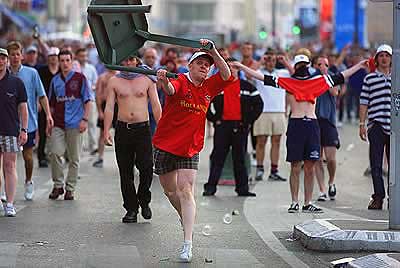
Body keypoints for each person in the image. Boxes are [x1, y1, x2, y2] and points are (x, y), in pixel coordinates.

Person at [233, 50, 368, 213]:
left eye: (304, 65)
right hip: (296, 125)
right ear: (295, 67)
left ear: (308, 66)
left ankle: (307, 202)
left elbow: (341, 75)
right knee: (295, 166)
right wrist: (241, 66)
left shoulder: (318, 81)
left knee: (310, 167)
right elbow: (261, 77)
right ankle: (294, 201)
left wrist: (359, 65)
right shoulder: (289, 82)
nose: (302, 68)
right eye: (300, 65)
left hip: (312, 125)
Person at [154, 39, 231, 262]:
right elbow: (170, 89)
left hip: (190, 147)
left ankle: (187, 243)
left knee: (186, 190)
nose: (204, 67)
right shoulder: (179, 79)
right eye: (200, 63)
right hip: (165, 144)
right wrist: (163, 82)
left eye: (207, 64)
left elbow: (226, 74)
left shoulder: (209, 86)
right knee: (171, 192)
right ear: (190, 66)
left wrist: (213, 50)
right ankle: (185, 217)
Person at [103, 55, 162, 223]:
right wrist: (106, 131)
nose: (128, 63)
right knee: (125, 171)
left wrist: (162, 129)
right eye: (126, 60)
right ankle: (131, 208)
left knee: (146, 168)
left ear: (137, 60)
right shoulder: (114, 81)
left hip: (142, 129)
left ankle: (144, 200)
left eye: (131, 59)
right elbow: (109, 107)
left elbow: (156, 105)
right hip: (123, 129)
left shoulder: (147, 79)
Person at [203, 57, 263, 196]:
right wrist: (214, 119)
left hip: (240, 127)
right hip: (222, 127)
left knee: (239, 159)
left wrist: (248, 121)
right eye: (228, 67)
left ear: (239, 69)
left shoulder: (247, 86)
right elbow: (204, 102)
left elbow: (259, 105)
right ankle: (210, 188)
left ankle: (242, 189)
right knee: (218, 158)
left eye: (234, 67)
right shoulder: (217, 86)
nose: (231, 69)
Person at [7, 41, 53, 201]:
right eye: (11, 55)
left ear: (22, 55)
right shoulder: (3, 73)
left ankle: (28, 181)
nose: (15, 58)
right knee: (8, 160)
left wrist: (48, 115)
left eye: (17, 54)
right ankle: (5, 189)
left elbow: (42, 95)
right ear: (8, 57)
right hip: (7, 124)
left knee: (27, 157)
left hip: (29, 123)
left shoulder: (32, 73)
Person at [48, 50, 94, 201]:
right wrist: (49, 122)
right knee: (55, 152)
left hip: (75, 123)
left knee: (74, 158)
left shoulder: (80, 79)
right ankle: (58, 185)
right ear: (59, 62)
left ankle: (70, 188)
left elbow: (88, 101)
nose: (65, 63)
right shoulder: (55, 80)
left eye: (67, 60)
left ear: (72, 61)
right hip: (58, 123)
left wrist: (85, 120)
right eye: (62, 60)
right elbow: (52, 104)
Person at [359, 44, 392, 210]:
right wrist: (361, 124)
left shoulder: (397, 78)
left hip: (394, 127)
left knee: (395, 165)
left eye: (387, 55)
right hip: (376, 125)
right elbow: (364, 102)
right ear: (377, 59)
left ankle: (394, 197)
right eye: (381, 55)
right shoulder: (369, 79)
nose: (384, 58)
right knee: (376, 164)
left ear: (392, 59)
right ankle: (378, 197)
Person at [253, 49, 291, 181]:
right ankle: (259, 168)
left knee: (277, 142)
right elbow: (247, 73)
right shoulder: (259, 73)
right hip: (263, 112)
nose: (270, 62)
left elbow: (295, 74)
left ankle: (274, 170)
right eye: (268, 60)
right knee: (261, 142)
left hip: (278, 111)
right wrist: (260, 61)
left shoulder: (282, 73)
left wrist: (285, 61)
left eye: (273, 60)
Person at [0, 48, 28, 216]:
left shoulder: (16, 83)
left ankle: (10, 203)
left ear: (7, 61)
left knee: (10, 166)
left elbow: (23, 108)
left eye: (3, 58)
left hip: (10, 131)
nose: (0, 61)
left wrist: (24, 130)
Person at [313, 55, 340, 202]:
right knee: (317, 157)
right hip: (314, 122)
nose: (323, 66)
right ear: (314, 66)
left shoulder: (333, 78)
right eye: (319, 64)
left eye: (326, 64)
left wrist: (326, 76)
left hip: (329, 122)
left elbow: (334, 92)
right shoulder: (312, 79)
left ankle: (331, 182)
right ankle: (322, 189)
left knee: (330, 158)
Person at [37, 47, 60, 168]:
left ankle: (57, 154)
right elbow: (37, 88)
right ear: (48, 58)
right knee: (43, 131)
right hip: (44, 105)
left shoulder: (62, 70)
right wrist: (38, 102)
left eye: (55, 57)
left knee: (58, 130)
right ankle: (41, 156)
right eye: (51, 57)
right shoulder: (42, 71)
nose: (53, 59)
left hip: (58, 106)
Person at [92, 68, 118, 168]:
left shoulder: (120, 76)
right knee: (103, 133)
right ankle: (100, 157)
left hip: (118, 106)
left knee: (121, 134)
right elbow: (98, 95)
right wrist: (100, 111)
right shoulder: (102, 77)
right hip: (105, 104)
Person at [75, 47, 98, 155]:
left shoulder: (91, 68)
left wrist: (90, 88)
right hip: (78, 101)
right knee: (80, 122)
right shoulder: (74, 69)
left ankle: (93, 146)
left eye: (85, 56)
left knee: (92, 123)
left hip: (90, 99)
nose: (83, 58)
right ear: (77, 56)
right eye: (81, 56)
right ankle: (80, 146)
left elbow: (95, 82)